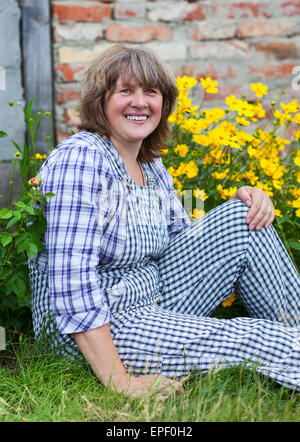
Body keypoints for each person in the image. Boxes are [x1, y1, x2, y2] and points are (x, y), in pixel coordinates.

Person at [28, 45, 300, 399]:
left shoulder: (150, 165)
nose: (140, 102)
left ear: (164, 103)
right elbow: (71, 283)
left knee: (243, 218)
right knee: (256, 339)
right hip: (104, 323)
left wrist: (245, 203)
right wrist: (121, 381)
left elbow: (182, 245)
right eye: (126, 90)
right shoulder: (82, 159)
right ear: (100, 100)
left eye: (150, 92)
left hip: (151, 296)